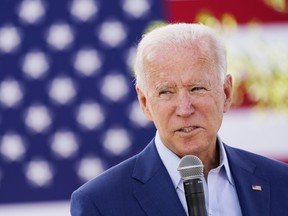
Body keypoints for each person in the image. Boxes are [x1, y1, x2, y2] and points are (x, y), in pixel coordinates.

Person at [70, 23, 288, 216]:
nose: (184, 109)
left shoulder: (281, 183)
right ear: (145, 102)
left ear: (226, 93)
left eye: (197, 88)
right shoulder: (99, 204)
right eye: (166, 92)